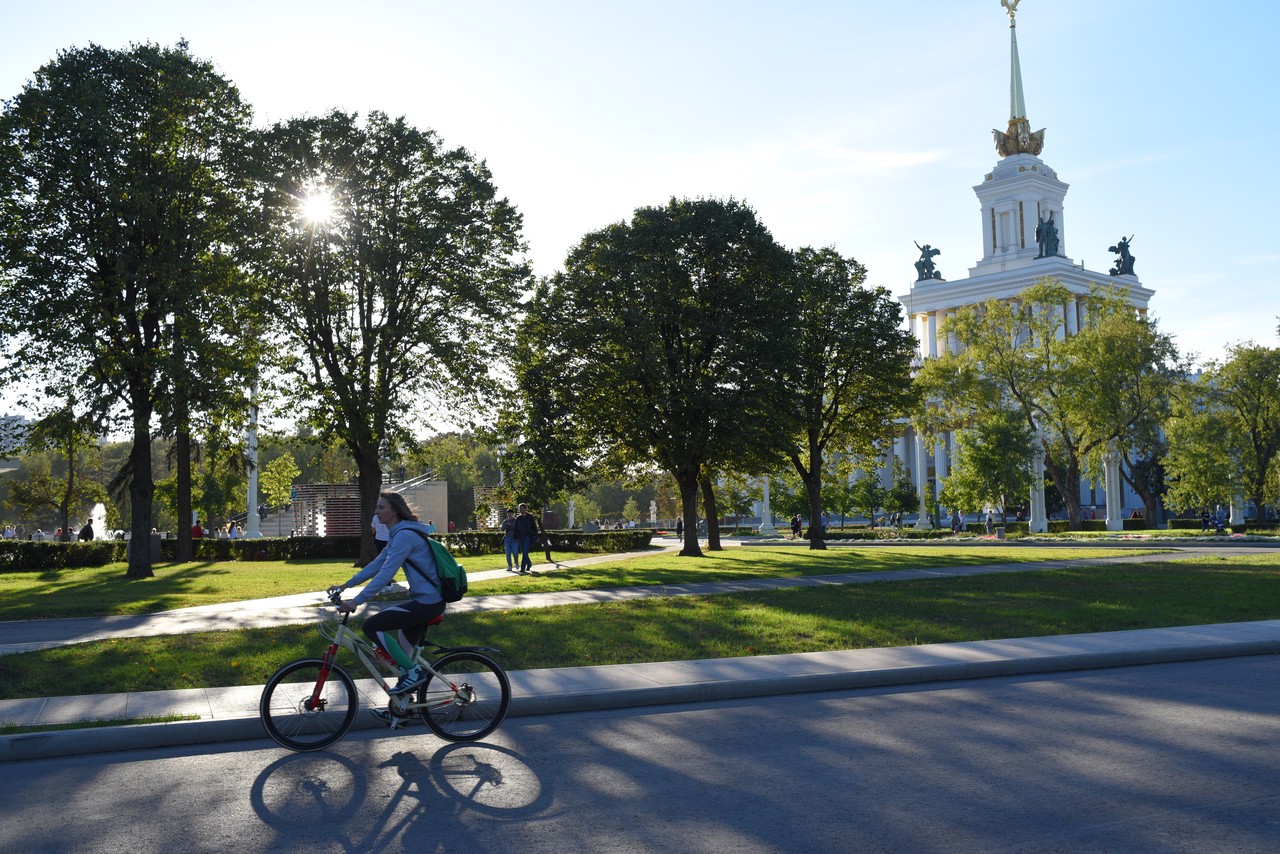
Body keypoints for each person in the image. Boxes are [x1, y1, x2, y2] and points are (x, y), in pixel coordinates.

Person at [331, 491, 444, 714]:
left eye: (381, 507)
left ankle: (414, 673)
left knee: (372, 626)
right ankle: (402, 708)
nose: (376, 512)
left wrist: (357, 601)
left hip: (428, 602)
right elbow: (376, 565)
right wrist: (346, 585)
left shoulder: (404, 536)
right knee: (399, 657)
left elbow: (385, 575)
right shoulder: (398, 534)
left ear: (394, 510)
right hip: (425, 600)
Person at [513, 503, 538, 573]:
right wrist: (516, 537)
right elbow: (516, 528)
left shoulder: (530, 517)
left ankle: (523, 567)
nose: (520, 510)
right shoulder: (518, 518)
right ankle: (529, 563)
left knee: (525, 552)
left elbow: (534, 527)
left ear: (525, 509)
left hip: (527, 537)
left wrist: (536, 535)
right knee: (524, 552)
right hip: (520, 537)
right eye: (519, 508)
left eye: (522, 508)